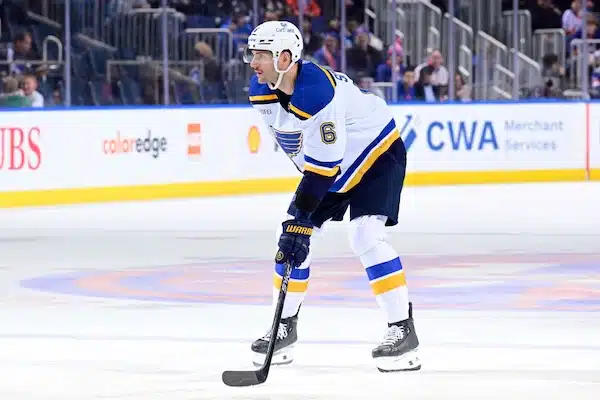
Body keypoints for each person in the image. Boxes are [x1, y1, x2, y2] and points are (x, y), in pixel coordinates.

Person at [244, 20, 420, 373]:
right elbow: (304, 153)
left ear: (284, 58)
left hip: (376, 152)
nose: (253, 62)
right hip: (332, 165)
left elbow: (324, 166)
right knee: (289, 236)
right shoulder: (261, 91)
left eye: (260, 55)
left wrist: (303, 215)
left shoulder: (316, 93)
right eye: (252, 54)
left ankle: (402, 330)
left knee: (365, 234)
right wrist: (299, 222)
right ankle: (284, 326)